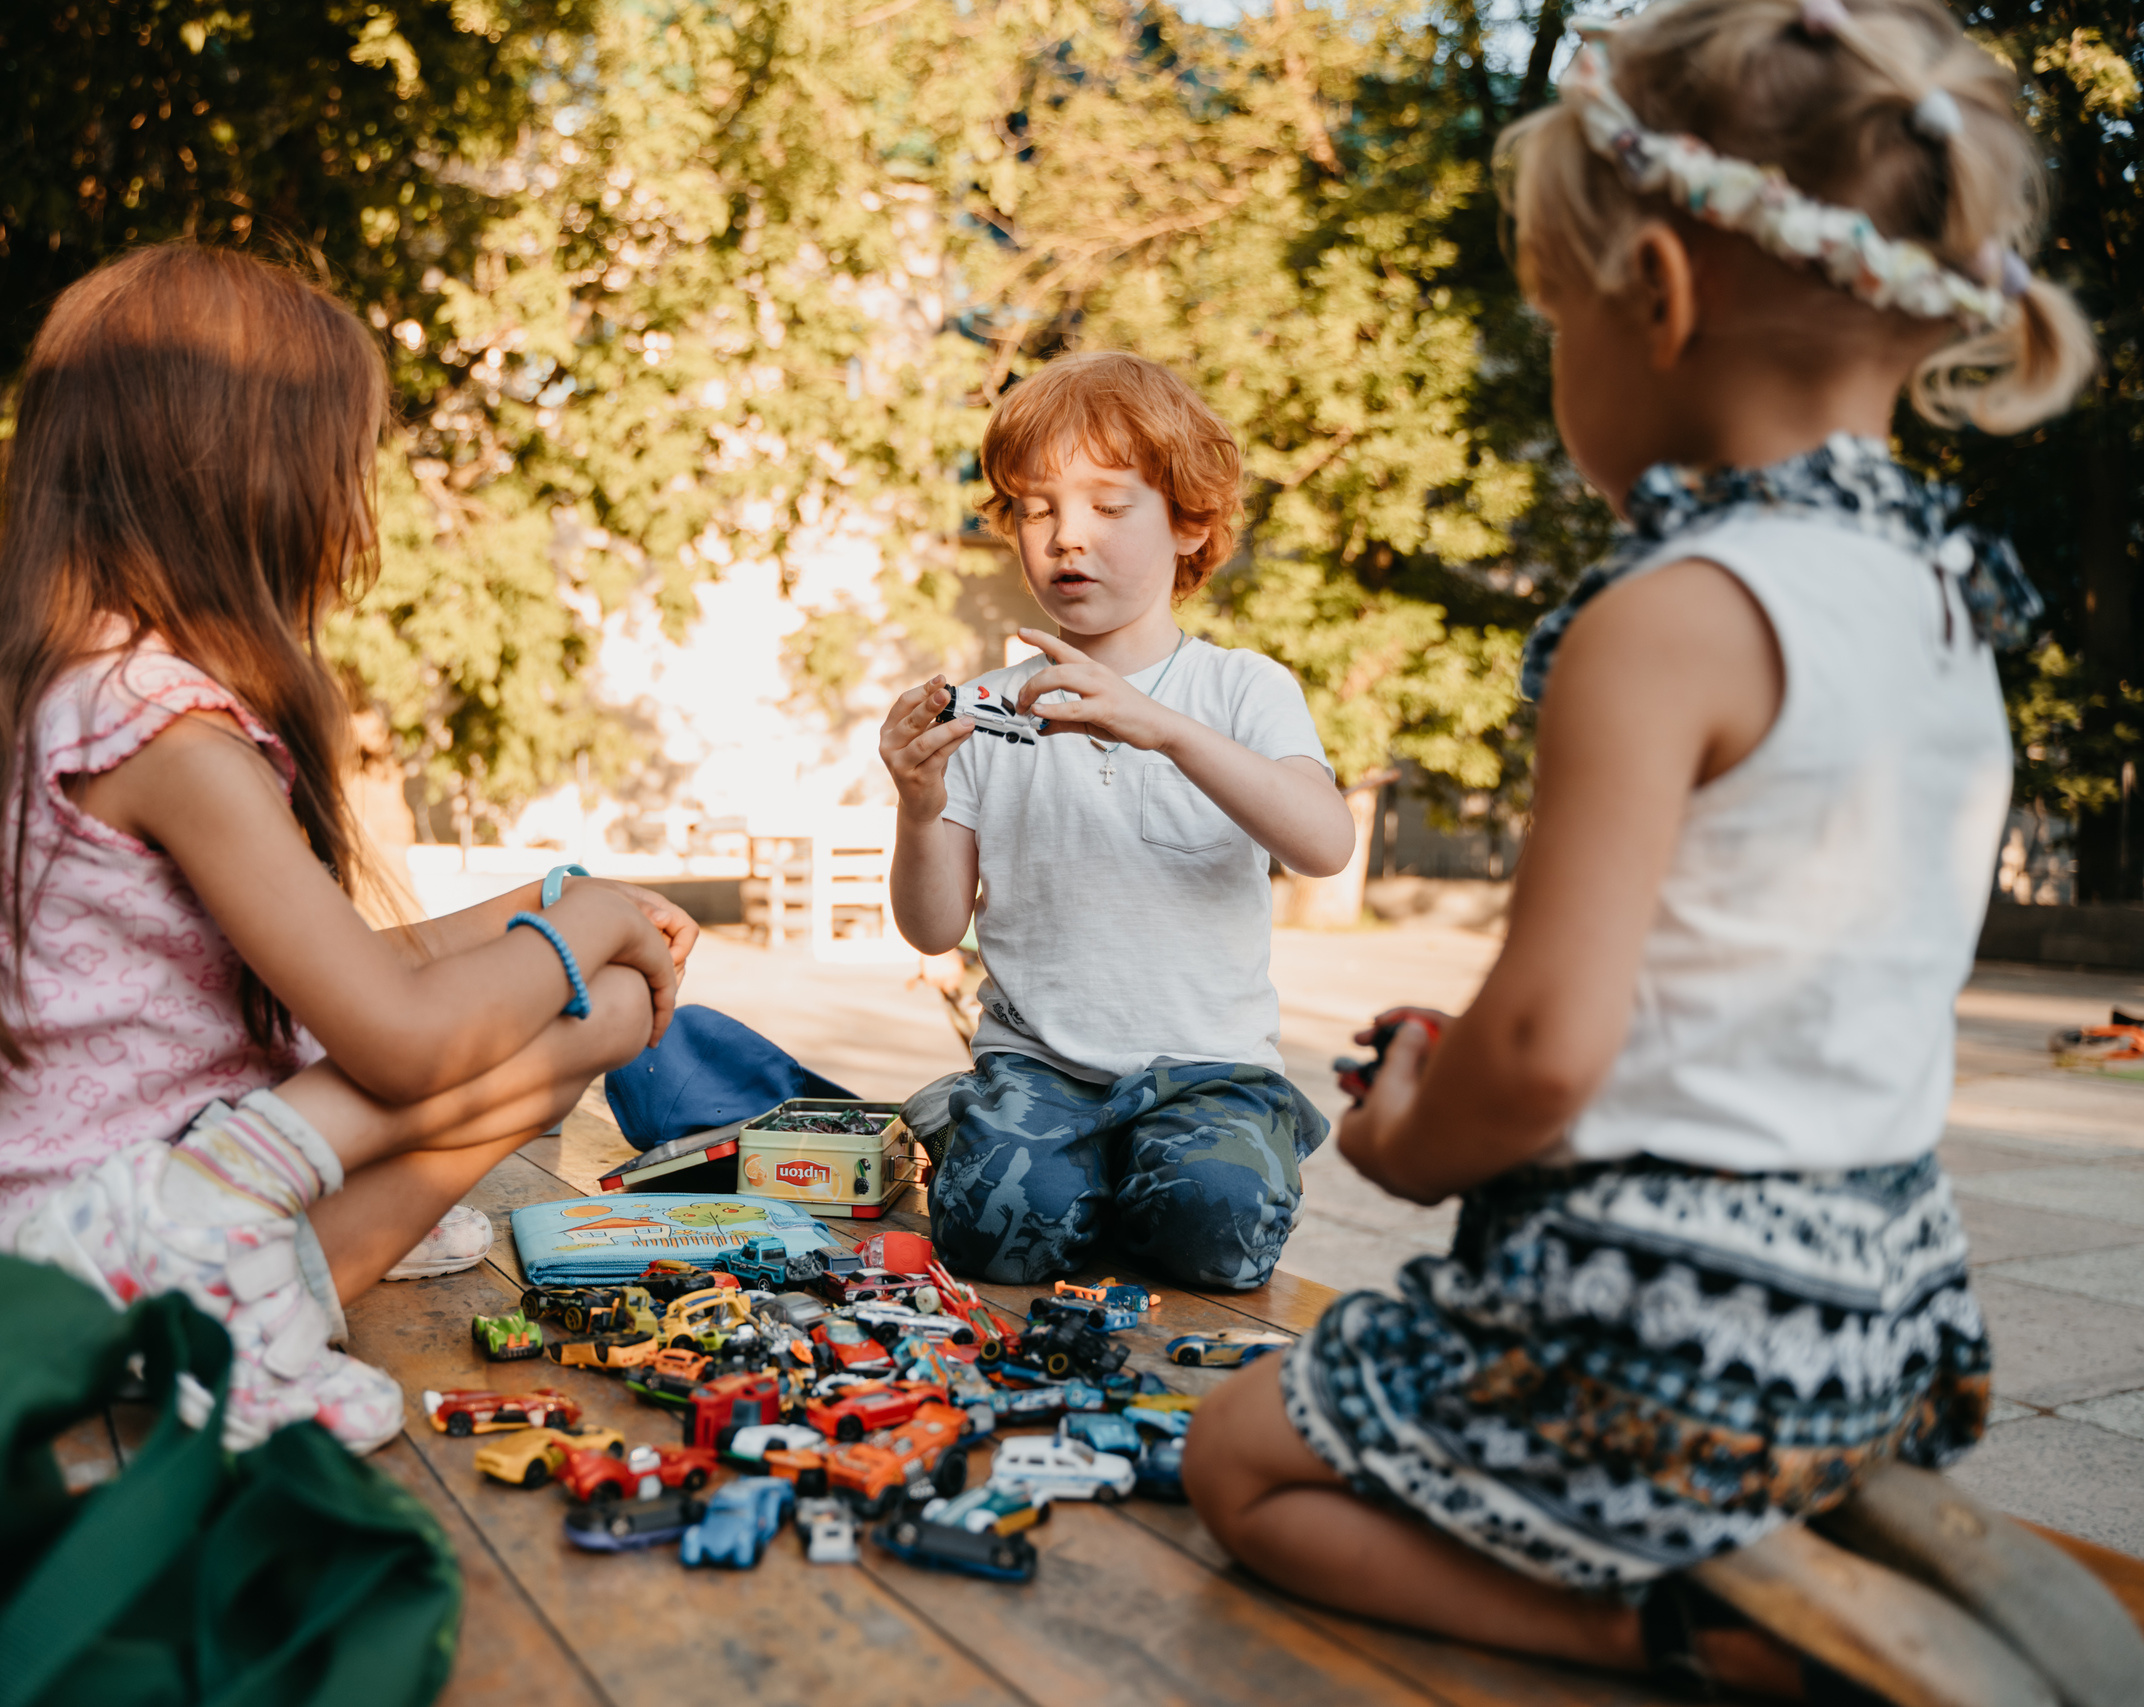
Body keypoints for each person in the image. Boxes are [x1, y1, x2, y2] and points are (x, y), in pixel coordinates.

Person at [1180, 0, 2100, 1698]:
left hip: (1664, 1325)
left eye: (1555, 320)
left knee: (1236, 1457)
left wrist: (1412, 1141)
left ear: (1656, 299)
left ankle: (1682, 1630)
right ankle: (1763, 1521)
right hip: (1884, 1320)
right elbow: (1736, 1015)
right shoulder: (1954, 610)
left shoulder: (1666, 616)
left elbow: (1538, 1055)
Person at [0, 245, 695, 1453]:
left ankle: (237, 1242)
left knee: (616, 1008)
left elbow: (328, 972)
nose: (354, 508)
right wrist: (586, 925)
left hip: (87, 1249)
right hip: (110, 1244)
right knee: (597, 986)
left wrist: (553, 900)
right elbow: (402, 1035)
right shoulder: (162, 728)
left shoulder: (67, 695)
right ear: (244, 479)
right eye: (344, 466)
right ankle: (215, 1220)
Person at [881, 351, 1354, 1291]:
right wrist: (919, 804)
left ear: (1189, 523)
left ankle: (1170, 1163)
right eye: (1035, 506)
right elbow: (933, 926)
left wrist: (1165, 730)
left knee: (1216, 1236)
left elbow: (1324, 843)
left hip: (1208, 1069)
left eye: (1107, 504)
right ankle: (1008, 1137)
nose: (1065, 536)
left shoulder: (1240, 687)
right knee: (988, 1239)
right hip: (1040, 1063)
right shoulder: (982, 704)